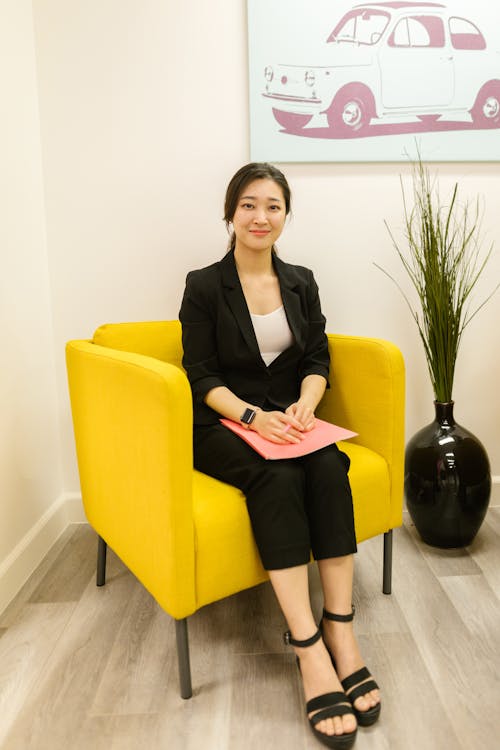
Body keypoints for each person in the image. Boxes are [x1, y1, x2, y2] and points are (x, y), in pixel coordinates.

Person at [179, 162, 380, 749]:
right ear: (230, 213)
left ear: (286, 215)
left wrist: (306, 407)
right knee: (273, 474)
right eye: (248, 204)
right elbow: (201, 375)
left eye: (272, 205)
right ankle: (307, 645)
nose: (260, 216)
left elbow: (318, 358)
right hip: (225, 423)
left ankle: (340, 629)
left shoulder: (301, 280)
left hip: (292, 421)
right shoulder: (203, 284)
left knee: (326, 464)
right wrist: (251, 415)